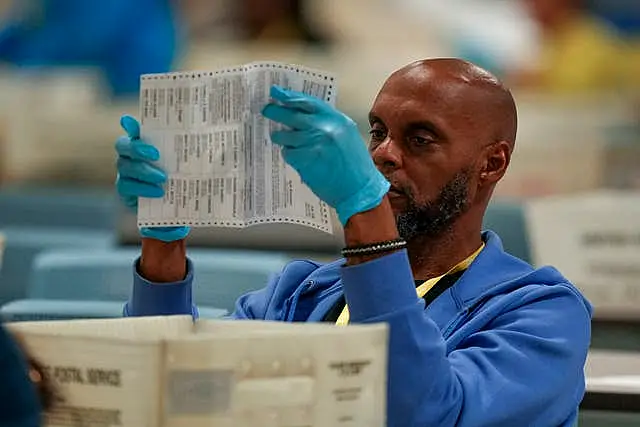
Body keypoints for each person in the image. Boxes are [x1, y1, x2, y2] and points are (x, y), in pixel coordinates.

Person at [115, 58, 592, 426]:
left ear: (491, 164)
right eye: (378, 132)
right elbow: (173, 394)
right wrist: (163, 243)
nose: (384, 153)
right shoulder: (299, 294)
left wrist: (365, 210)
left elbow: (421, 415)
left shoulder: (542, 314)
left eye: (420, 139)